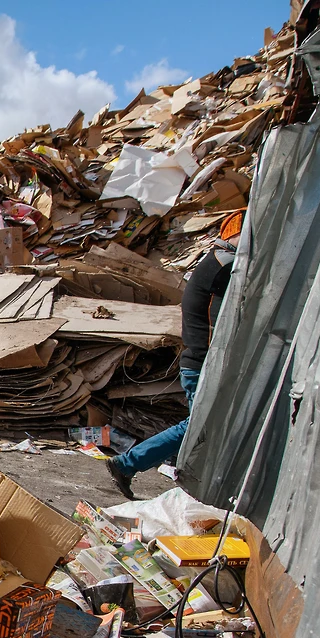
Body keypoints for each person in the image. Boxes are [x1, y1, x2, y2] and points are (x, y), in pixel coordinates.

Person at [107, 211, 243, 499]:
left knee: (200, 426)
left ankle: (148, 466)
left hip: (198, 361)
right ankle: (128, 463)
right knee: (197, 426)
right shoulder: (225, 267)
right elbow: (224, 322)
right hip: (203, 364)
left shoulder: (214, 261)